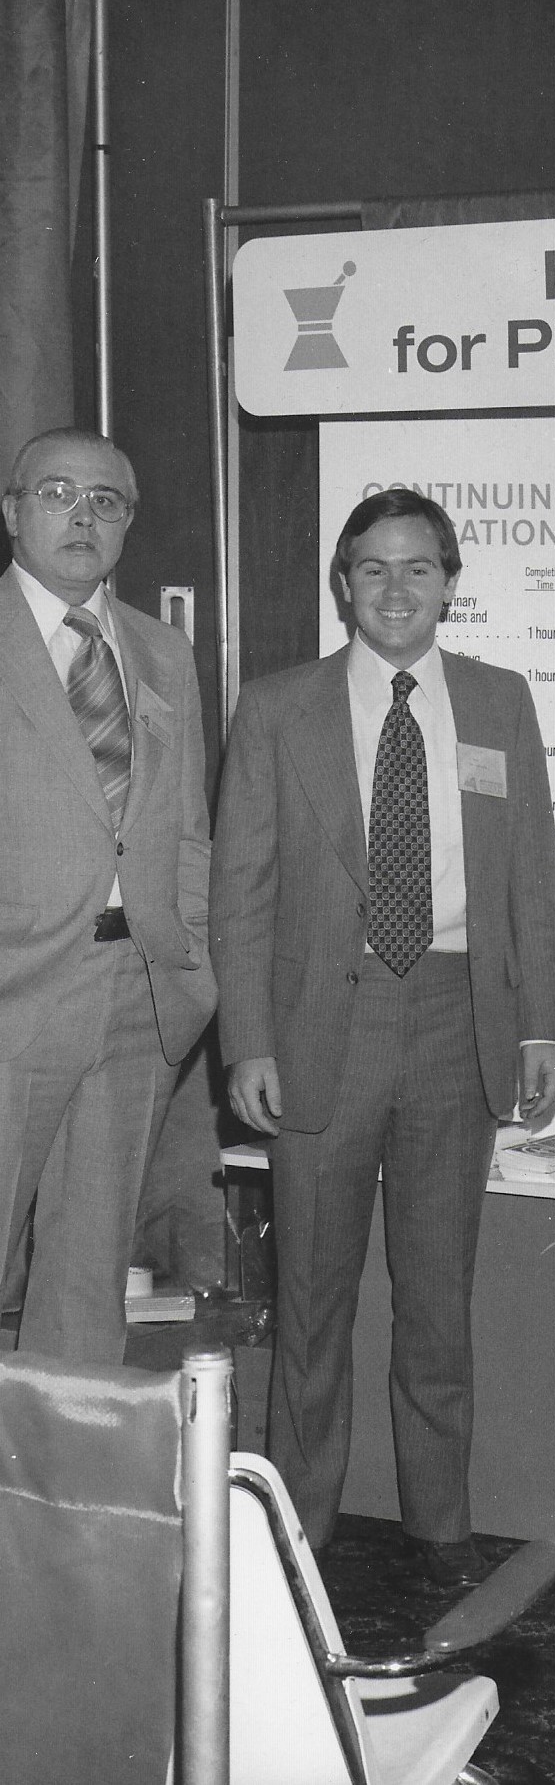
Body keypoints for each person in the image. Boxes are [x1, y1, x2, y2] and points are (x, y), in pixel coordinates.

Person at [210, 486, 555, 1585]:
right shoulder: (278, 709)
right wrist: (248, 1041)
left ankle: (440, 1529)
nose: (396, 589)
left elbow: (529, 879)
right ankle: (298, 1531)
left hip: (459, 1019)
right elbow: (240, 891)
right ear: (343, 583)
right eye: (373, 568)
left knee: (436, 1292)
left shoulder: (500, 702)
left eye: (418, 567)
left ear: (450, 581)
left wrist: (543, 1023)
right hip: (327, 1024)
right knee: (313, 1302)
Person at [0, 427, 216, 1360]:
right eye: (57, 494)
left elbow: (189, 830)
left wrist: (189, 957)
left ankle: (61, 1499)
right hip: (14, 1002)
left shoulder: (163, 652)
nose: (83, 517)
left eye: (107, 501)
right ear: (12, 513)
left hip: (137, 999)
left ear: (129, 523)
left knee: (89, 1287)